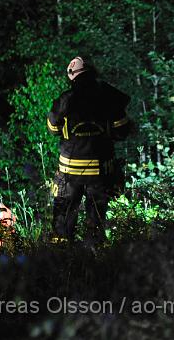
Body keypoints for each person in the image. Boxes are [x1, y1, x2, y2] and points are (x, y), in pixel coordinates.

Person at [47, 56, 130, 244]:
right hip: (101, 170)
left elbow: (52, 129)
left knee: (63, 219)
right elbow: (122, 130)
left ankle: (61, 261)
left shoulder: (65, 99)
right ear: (93, 72)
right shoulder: (109, 97)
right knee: (97, 221)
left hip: (69, 172)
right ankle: (96, 260)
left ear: (72, 76)